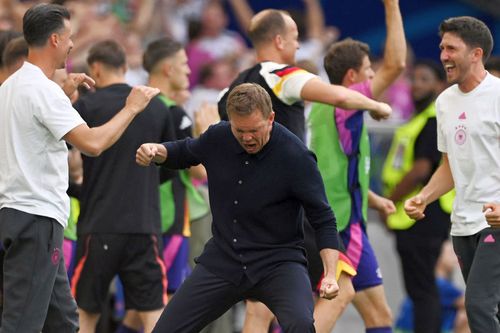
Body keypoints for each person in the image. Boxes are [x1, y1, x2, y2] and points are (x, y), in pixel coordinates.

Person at [217, 9, 392, 331]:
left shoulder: (234, 90)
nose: (298, 47)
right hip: (289, 208)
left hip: (248, 210)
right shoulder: (281, 75)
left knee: (259, 305)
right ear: (279, 40)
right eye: (296, 38)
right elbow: (339, 95)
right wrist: (376, 105)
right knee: (341, 288)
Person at [0, 3, 160, 332]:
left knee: (64, 321)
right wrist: (131, 108)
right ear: (56, 40)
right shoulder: (43, 91)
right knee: (22, 323)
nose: (74, 44)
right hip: (36, 218)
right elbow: (94, 143)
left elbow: (34, 123)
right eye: (70, 37)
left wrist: (62, 93)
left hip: (18, 213)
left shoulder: (12, 87)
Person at [136, 83, 341, 333]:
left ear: (271, 118)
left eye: (254, 130)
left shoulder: (297, 156)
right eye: (239, 130)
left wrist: (330, 274)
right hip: (224, 259)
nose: (247, 138)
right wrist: (157, 150)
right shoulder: (219, 136)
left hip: (278, 262)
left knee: (301, 324)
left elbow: (323, 219)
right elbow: (185, 151)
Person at [307, 1, 405, 332]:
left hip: (348, 221)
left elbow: (336, 168)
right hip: (339, 226)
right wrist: (391, 6)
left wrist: (373, 199)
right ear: (352, 78)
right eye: (368, 71)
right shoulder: (342, 104)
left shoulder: (331, 109)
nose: (375, 76)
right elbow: (395, 64)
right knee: (339, 296)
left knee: (380, 316)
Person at [70, 39, 175, 333]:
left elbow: (65, 160)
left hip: (98, 224)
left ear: (95, 69)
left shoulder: (86, 106)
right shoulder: (156, 108)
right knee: (154, 313)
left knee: (85, 313)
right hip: (144, 224)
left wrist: (77, 188)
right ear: (125, 68)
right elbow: (168, 166)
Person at [404, 16, 500, 333]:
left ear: (476, 54)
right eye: (442, 47)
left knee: (478, 306)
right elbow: (449, 166)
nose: (443, 55)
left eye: (451, 48)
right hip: (461, 225)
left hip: (495, 221)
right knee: (488, 307)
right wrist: (424, 197)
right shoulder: (444, 102)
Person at [382, 59, 452, 333]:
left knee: (423, 290)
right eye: (414, 79)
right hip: (411, 216)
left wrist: (391, 200)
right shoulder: (419, 119)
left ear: (439, 85)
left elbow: (421, 169)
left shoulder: (434, 119)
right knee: (420, 289)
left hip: (422, 215)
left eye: (425, 79)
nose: (416, 85)